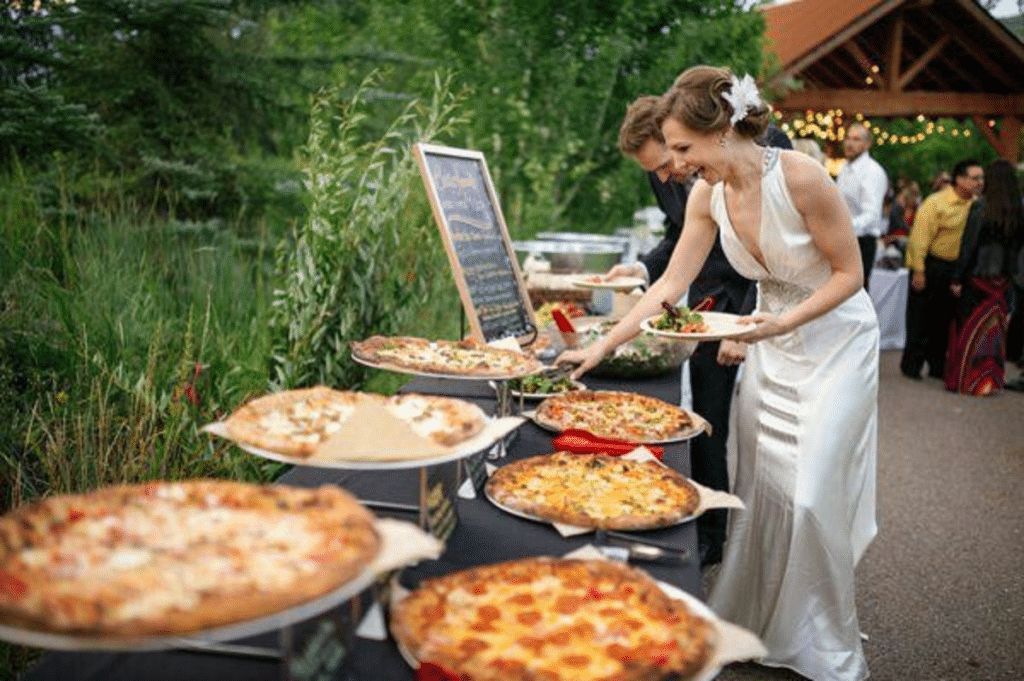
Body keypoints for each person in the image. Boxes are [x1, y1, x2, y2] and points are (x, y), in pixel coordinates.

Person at [559, 66, 879, 681]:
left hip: (836, 341)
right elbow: (670, 288)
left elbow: (850, 275)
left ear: (726, 131)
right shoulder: (706, 195)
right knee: (764, 493)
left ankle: (821, 640)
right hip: (769, 340)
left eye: (683, 149)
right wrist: (598, 348)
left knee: (810, 496)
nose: (674, 166)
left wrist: (781, 325)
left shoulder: (804, 177)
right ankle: (761, 627)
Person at [606, 96, 791, 567]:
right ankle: (713, 534)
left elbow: (778, 249)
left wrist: (745, 321)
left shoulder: (766, 148)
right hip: (707, 297)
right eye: (659, 170)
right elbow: (677, 234)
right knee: (709, 419)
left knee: (770, 429)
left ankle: (775, 542)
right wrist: (641, 268)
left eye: (670, 161)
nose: (669, 175)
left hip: (768, 299)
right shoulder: (660, 171)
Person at [945, 158, 1024, 395]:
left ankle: (967, 380)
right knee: (994, 332)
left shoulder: (981, 208)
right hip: (1004, 281)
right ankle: (988, 381)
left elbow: (968, 247)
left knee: (969, 329)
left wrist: (957, 277)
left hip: (978, 278)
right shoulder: (1018, 212)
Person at [901, 159, 984, 380]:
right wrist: (918, 269)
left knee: (945, 319)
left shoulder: (977, 206)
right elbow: (919, 237)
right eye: (975, 178)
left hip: (957, 269)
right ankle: (912, 365)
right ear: (959, 179)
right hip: (931, 263)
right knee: (920, 317)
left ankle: (938, 366)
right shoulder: (936, 202)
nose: (980, 183)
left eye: (981, 178)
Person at [837, 123, 889, 289]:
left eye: (856, 139)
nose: (849, 143)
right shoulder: (845, 168)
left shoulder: (873, 172)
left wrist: (844, 228)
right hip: (844, 238)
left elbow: (872, 214)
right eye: (848, 138)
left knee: (855, 294)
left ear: (867, 144)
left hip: (861, 241)